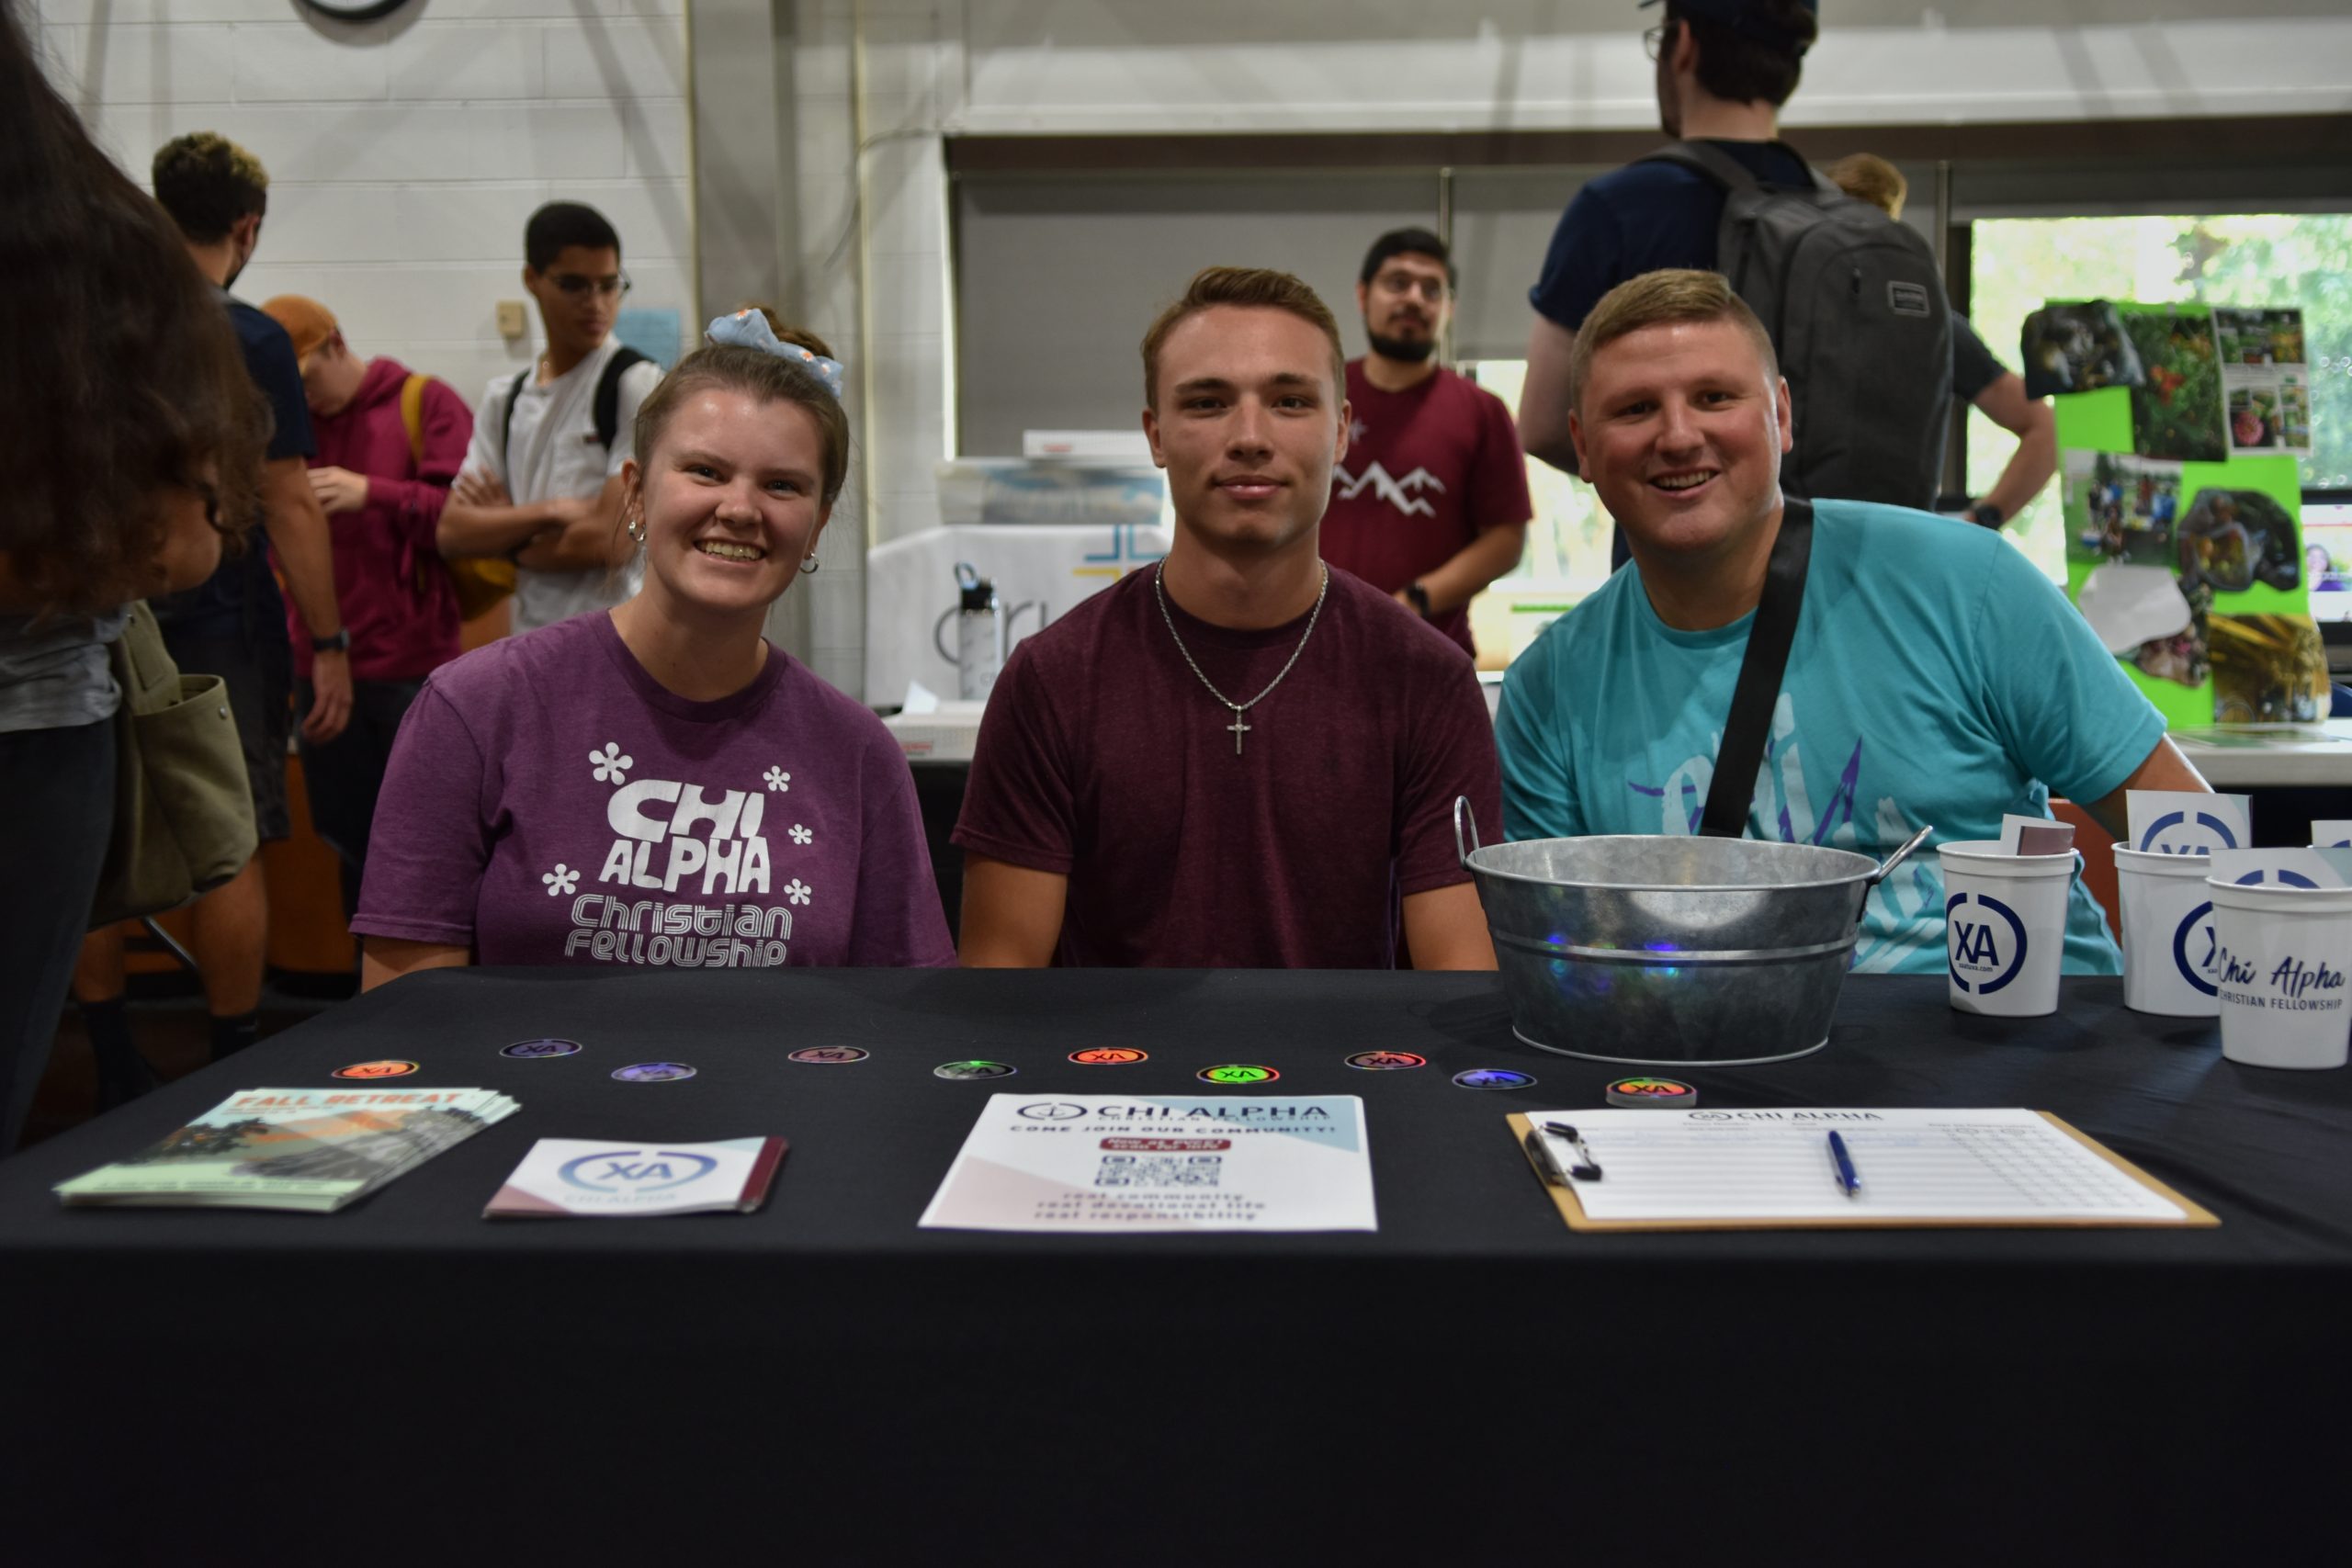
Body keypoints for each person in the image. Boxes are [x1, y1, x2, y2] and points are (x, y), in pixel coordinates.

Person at [1495, 270, 2211, 976]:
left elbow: (2186, 833)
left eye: (1714, 397)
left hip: (2023, 1052)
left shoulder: (1964, 582)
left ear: (1780, 416)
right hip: (1724, 1064)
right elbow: (1566, 962)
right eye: (1635, 409)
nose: (1679, 435)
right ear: (1582, 447)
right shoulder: (1549, 691)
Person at [354, 312, 953, 984]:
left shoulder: (859, 755)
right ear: (636, 491)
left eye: (782, 485)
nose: (740, 508)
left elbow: (905, 1018)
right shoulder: (474, 710)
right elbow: (406, 1026)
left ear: (815, 526)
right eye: (705, 470)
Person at [954, 265, 1501, 970]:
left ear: (1340, 433)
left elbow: (1457, 990)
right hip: (1114, 1078)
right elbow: (1000, 998)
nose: (1249, 436)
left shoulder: (1427, 682)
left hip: (1353, 1077)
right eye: (1208, 403)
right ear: (1155, 435)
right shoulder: (1052, 680)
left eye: (1290, 401)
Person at [0, 0, 263, 1141]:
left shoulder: (102, 255)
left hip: (49, 722)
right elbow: (190, 537)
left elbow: (192, 533)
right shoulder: (104, 253)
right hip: (45, 724)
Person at [74, 130, 355, 1073]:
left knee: (99, 838)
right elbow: (286, 504)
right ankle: (233, 1055)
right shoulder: (245, 336)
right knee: (229, 839)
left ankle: (112, 1058)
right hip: (220, 617)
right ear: (247, 226)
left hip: (96, 614)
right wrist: (330, 641)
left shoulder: (89, 318)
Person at [259, 295, 473, 921]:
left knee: (433, 841)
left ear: (334, 343)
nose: (299, 395)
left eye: (302, 379)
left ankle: (433, 989)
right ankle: (365, 995)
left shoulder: (423, 402)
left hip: (412, 662)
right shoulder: (289, 425)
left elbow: (468, 521)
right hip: (325, 662)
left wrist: (371, 493)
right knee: (349, 839)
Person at [438, 202, 662, 634]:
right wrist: (557, 510)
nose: (596, 303)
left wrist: (508, 537)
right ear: (532, 280)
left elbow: (612, 540)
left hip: (620, 639)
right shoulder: (504, 399)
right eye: (573, 285)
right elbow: (453, 533)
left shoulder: (636, 383)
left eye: (609, 285)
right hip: (532, 641)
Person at [1318, 228, 1532, 661]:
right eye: (1397, 283)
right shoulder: (1318, 393)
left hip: (1432, 655)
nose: (1414, 299)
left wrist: (1416, 600)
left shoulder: (1482, 410)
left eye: (1431, 289)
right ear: (1363, 296)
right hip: (1311, 645)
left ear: (1448, 308)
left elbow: (1506, 539)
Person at [1824, 153, 2056, 528]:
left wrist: (1979, 522)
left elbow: (2045, 431)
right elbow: (2045, 430)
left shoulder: (1934, 328)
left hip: (1884, 540)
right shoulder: (1784, 321)